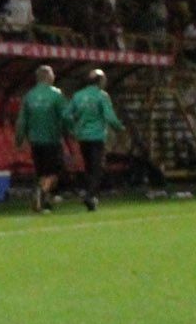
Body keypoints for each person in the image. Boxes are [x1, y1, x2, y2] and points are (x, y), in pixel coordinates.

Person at [67, 68, 125, 210]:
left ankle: (91, 199)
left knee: (88, 168)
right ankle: (90, 195)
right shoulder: (102, 96)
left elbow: (66, 115)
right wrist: (120, 128)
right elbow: (110, 117)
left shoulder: (77, 96)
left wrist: (72, 130)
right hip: (97, 137)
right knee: (97, 168)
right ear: (100, 81)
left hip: (82, 137)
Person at [16, 65, 69, 213]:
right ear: (48, 76)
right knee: (55, 171)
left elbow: (21, 121)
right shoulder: (56, 95)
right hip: (51, 139)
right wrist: (71, 131)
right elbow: (65, 116)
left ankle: (44, 203)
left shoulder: (29, 95)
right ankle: (40, 192)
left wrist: (19, 139)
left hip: (35, 141)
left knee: (42, 172)